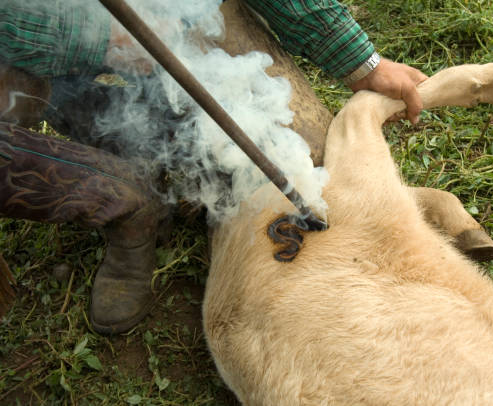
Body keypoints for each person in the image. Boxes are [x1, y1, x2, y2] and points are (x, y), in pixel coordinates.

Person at [0, 0, 427, 334]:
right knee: (20, 89)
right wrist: (92, 38)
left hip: (182, 14)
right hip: (24, 35)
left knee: (303, 154)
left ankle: (167, 145)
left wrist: (358, 60)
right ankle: (130, 206)